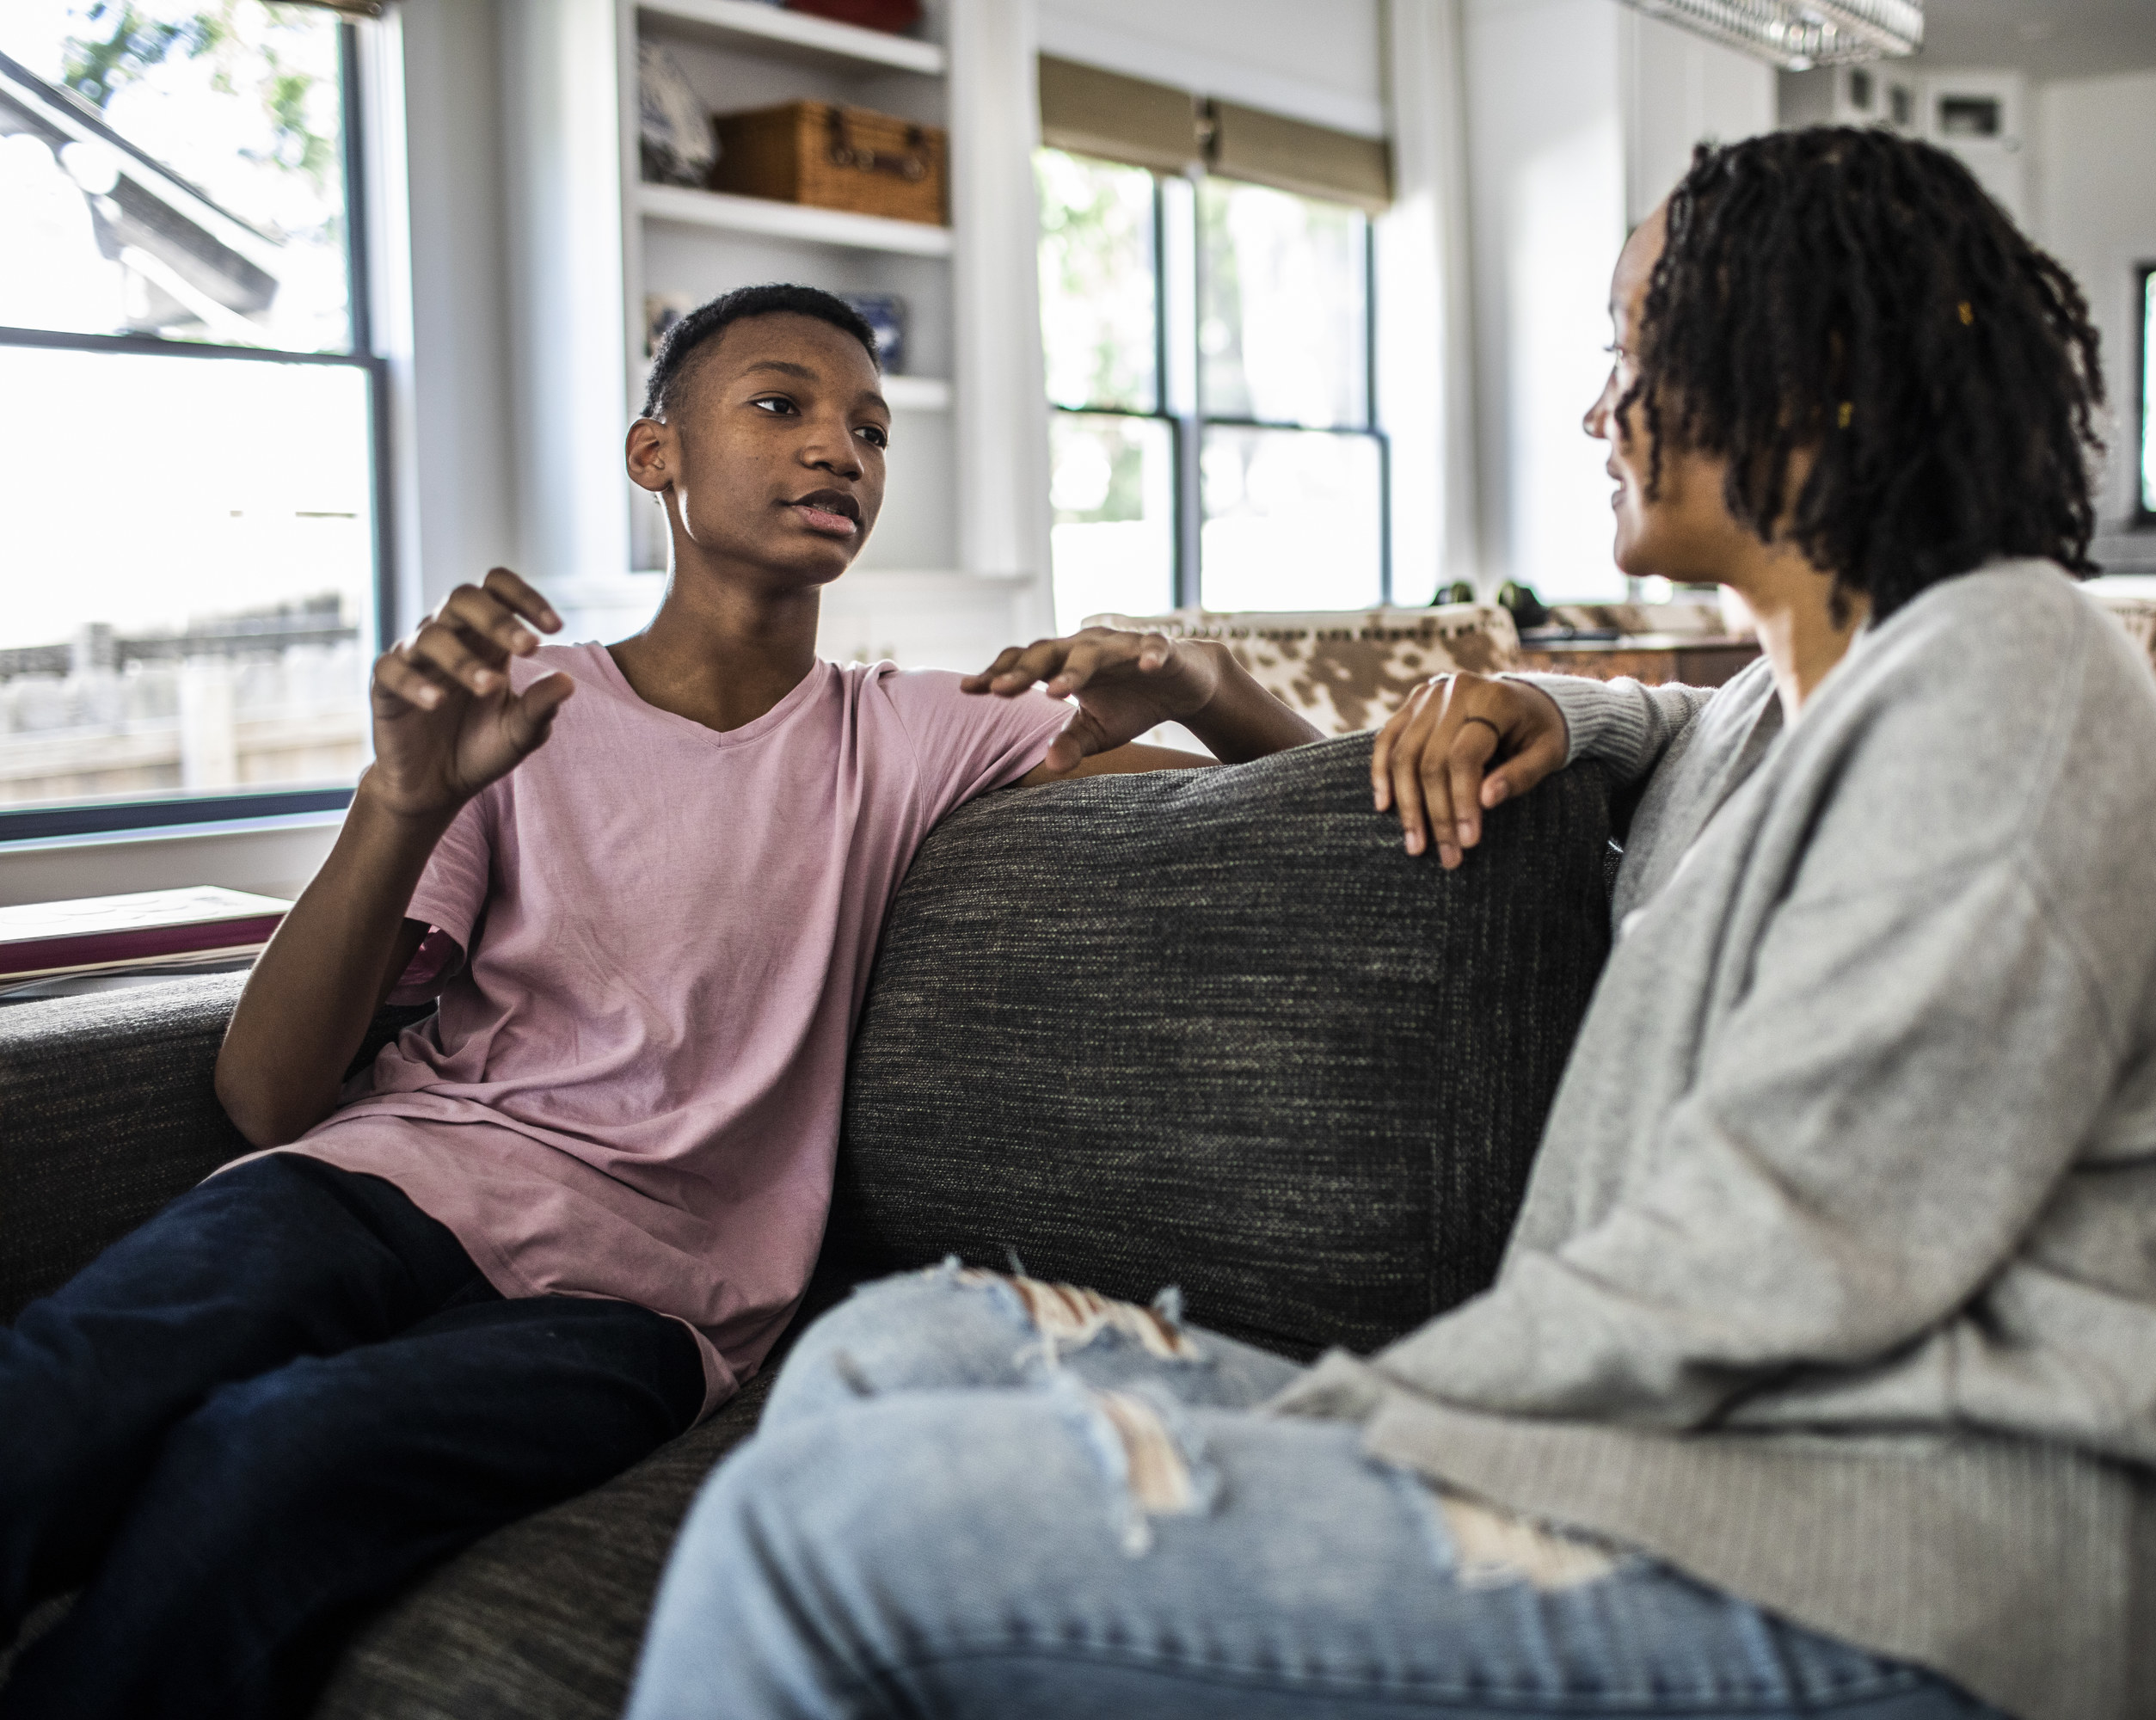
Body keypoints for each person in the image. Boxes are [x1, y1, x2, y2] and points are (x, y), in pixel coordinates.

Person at [623, 130, 2156, 1720]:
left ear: (1816, 364)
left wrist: (1318, 1433)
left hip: (1947, 1569)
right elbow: (1701, 742)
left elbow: (1778, 1256)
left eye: (1633, 344)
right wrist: (1561, 704)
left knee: (822, 1529)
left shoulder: (2010, 680)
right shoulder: (1797, 698)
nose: (1601, 406)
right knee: (893, 1341)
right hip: (1700, 1472)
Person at [0, 283, 1318, 1720]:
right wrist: (397, 800)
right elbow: (269, 1098)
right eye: (782, 406)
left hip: (649, 1291)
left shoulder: (915, 732)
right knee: (63, 1390)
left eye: (870, 430)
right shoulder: (516, 708)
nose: (841, 451)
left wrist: (1206, 678)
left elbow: (1312, 824)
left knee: (275, 1461)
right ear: (656, 458)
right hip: (382, 1178)